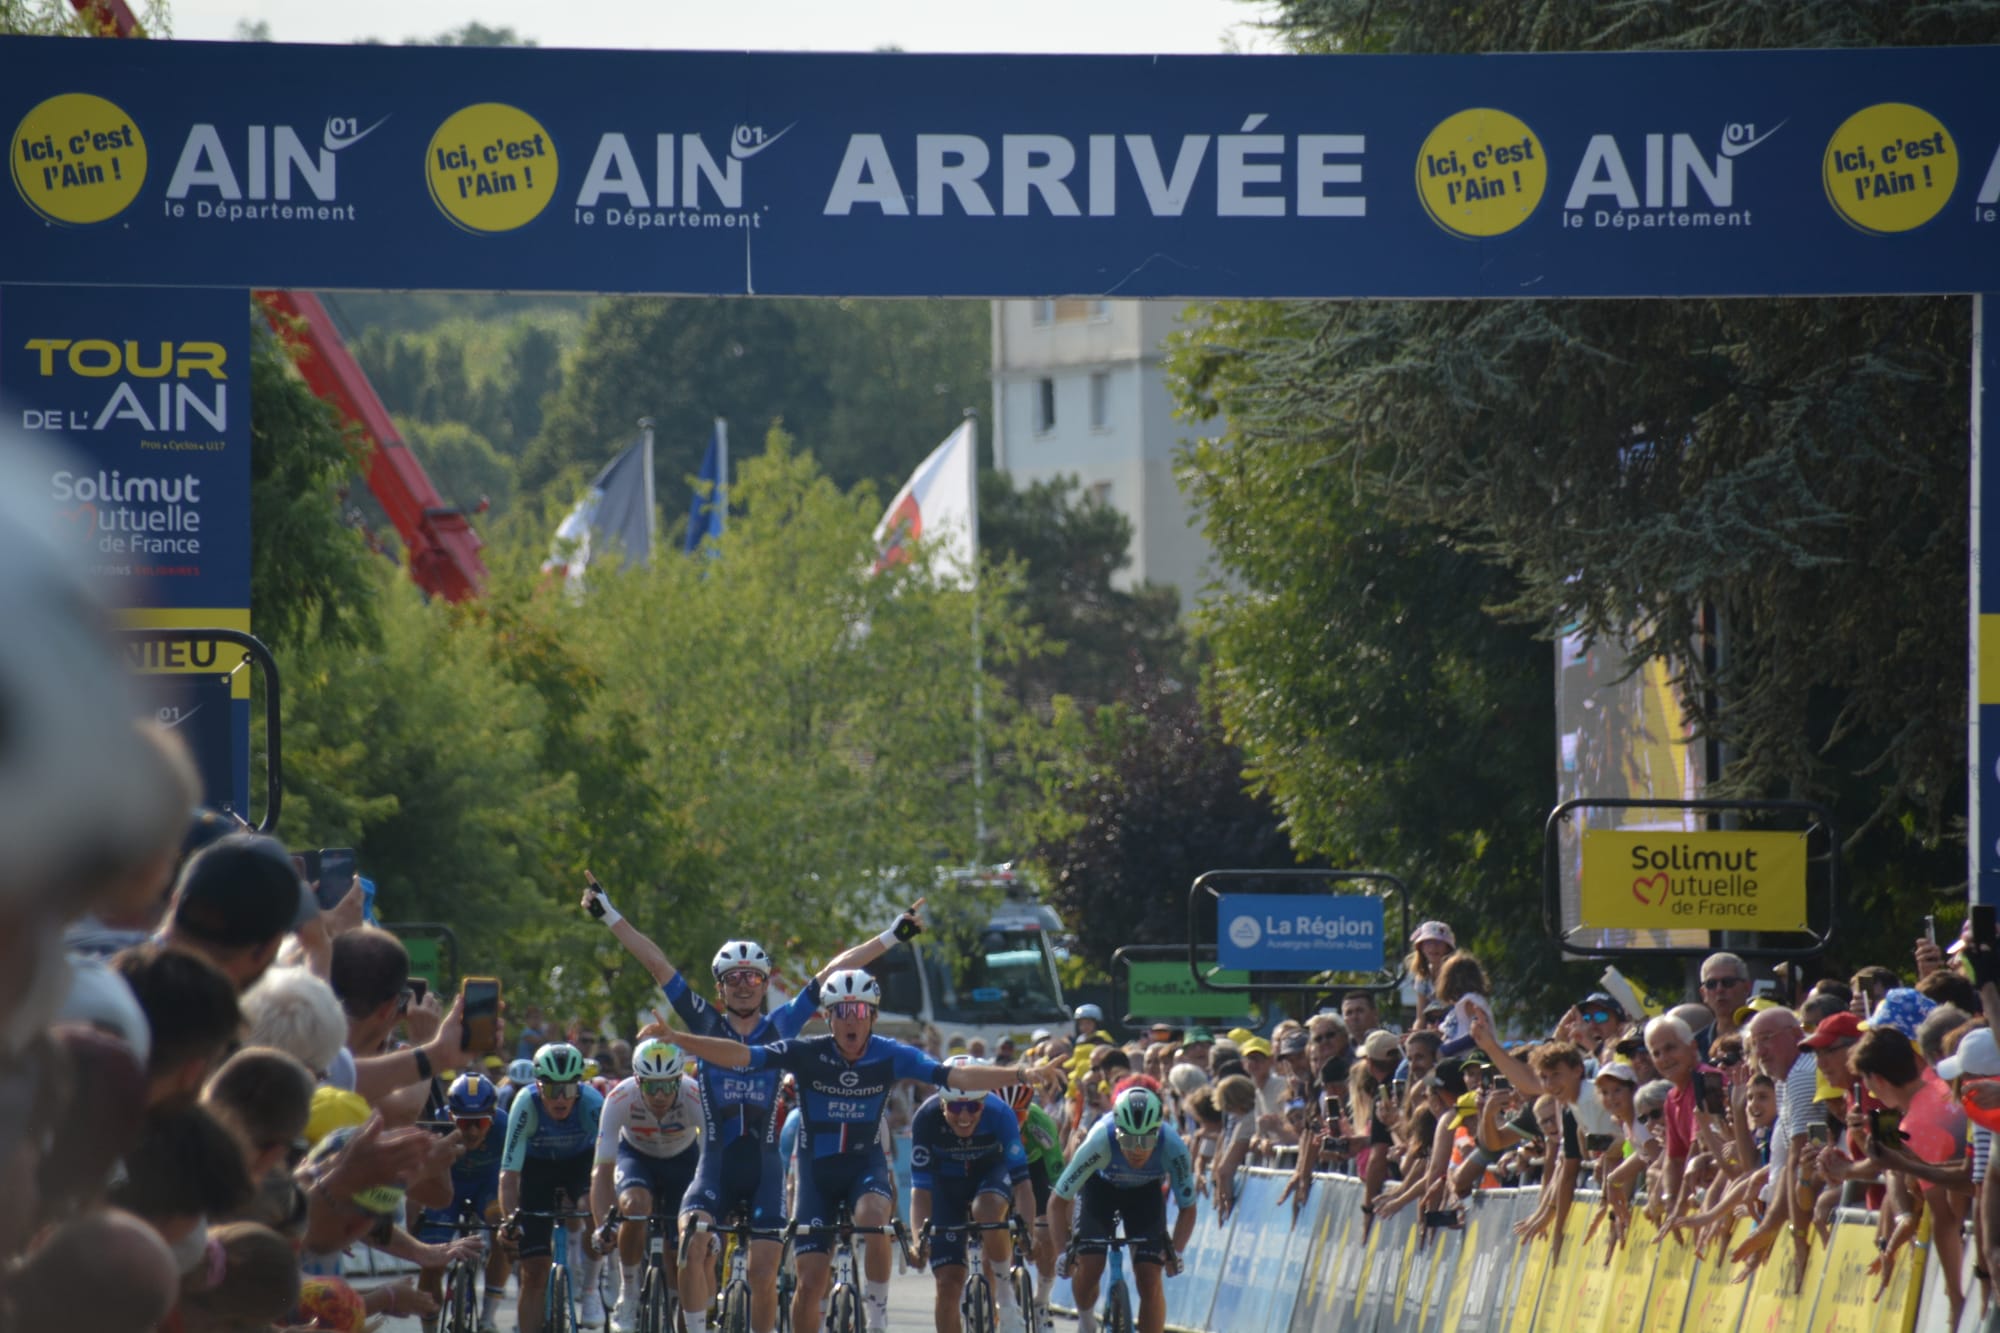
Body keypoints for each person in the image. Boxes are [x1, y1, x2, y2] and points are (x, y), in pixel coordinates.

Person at [587, 877, 921, 1333]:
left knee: (765, 1275)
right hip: (716, 1167)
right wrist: (609, 914)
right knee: (691, 1243)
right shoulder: (705, 1023)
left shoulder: (782, 1025)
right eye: (734, 978)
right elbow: (656, 963)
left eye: (753, 977)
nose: (743, 985)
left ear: (765, 984)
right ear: (720, 988)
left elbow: (834, 969)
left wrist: (891, 936)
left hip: (764, 1172)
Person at [670, 969, 1050, 1333]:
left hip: (864, 1168)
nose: (851, 1020)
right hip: (817, 1176)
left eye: (860, 1012)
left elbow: (957, 1076)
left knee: (872, 1216)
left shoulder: (891, 1054)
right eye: (841, 1012)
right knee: (810, 1283)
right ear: (828, 1018)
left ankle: (877, 1318)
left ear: (873, 1017)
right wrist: (680, 1039)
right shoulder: (806, 1051)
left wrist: (1018, 1073)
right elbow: (741, 1055)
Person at [1049, 1086, 1197, 1333]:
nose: (1137, 1149)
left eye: (1145, 1141)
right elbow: (1058, 1201)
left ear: (1157, 1133)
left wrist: (1177, 1251)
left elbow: (1188, 1207)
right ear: (1117, 1133)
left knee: (1150, 1278)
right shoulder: (1099, 1140)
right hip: (1099, 1190)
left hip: (1144, 1194)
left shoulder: (1173, 1147)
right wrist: (1062, 1252)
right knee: (1090, 1265)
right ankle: (1086, 1321)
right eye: (1128, 1140)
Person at [908, 1057, 1038, 1333]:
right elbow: (920, 1192)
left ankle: (1005, 1297)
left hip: (990, 1175)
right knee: (947, 1283)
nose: (965, 1116)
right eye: (956, 1107)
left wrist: (1027, 1232)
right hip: (946, 1186)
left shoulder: (1000, 1113)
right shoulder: (925, 1118)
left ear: (984, 1102)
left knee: (987, 1210)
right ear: (942, 1103)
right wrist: (919, 1240)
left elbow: (1022, 1184)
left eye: (973, 1107)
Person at [591, 1039, 702, 1333]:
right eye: (652, 1086)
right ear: (638, 1081)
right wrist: (603, 1225)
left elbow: (711, 1163)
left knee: (682, 1244)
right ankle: (628, 1292)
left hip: (683, 1160)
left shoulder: (695, 1095)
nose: (661, 1095)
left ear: (680, 1079)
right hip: (636, 1157)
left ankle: (679, 1301)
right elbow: (602, 1171)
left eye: (669, 1085)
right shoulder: (619, 1098)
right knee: (635, 1206)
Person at [498, 1042, 607, 1333]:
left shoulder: (592, 1103)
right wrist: (510, 1221)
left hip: (580, 1164)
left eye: (568, 1089)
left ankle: (590, 1288)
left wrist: (606, 1220)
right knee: (534, 1271)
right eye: (551, 1089)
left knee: (590, 1207)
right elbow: (509, 1175)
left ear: (579, 1087)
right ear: (538, 1086)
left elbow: (608, 1166)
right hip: (537, 1169)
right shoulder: (525, 1103)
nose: (560, 1098)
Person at [413, 1073, 510, 1333]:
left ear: (493, 1116)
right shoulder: (435, 1124)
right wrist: (414, 1220)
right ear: (450, 1116)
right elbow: (417, 1178)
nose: (473, 1131)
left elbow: (515, 1173)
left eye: (481, 1122)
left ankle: (487, 1318)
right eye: (465, 1123)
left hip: (487, 1187)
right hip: (447, 1189)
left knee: (504, 1233)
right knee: (432, 1262)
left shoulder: (506, 1125)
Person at [1405, 921, 1456, 1015]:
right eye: (1428, 942)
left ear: (1447, 948)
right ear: (1421, 947)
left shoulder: (1455, 974)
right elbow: (1420, 1016)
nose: (1433, 947)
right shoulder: (1423, 977)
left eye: (1439, 942)